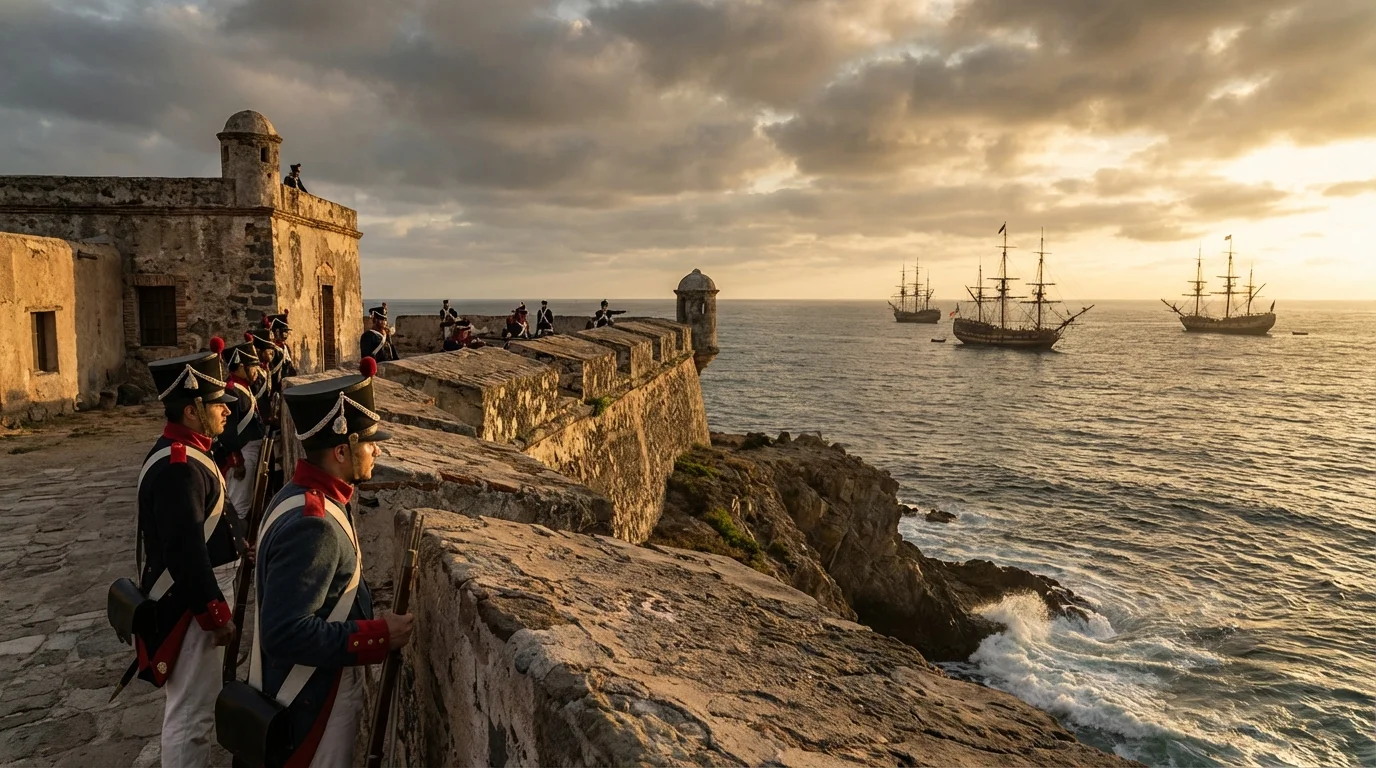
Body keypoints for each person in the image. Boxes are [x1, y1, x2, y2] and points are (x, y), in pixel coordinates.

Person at [250, 358, 414, 767]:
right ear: (341, 450)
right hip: (311, 702)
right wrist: (378, 636)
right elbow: (284, 633)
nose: (376, 449)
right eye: (368, 442)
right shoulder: (314, 526)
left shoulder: (297, 494)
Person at [139, 341, 246, 768]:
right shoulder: (180, 465)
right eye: (217, 403)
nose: (226, 410)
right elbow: (184, 550)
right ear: (191, 410)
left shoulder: (186, 452)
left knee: (194, 706)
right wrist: (214, 613)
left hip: (198, 592)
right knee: (191, 715)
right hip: (193, 600)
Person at [217, 336, 266, 518]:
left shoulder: (243, 387)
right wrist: (237, 461)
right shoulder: (232, 390)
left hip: (250, 450)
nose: (256, 371)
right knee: (239, 505)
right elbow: (227, 432)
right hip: (242, 454)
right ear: (239, 367)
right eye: (252, 367)